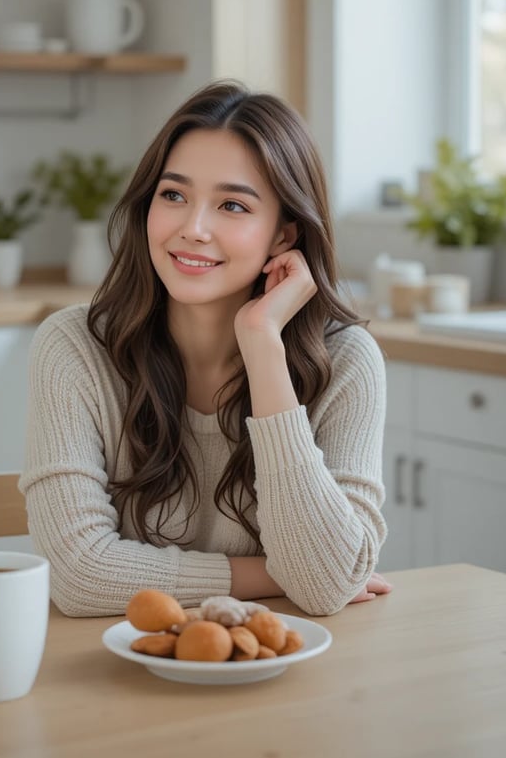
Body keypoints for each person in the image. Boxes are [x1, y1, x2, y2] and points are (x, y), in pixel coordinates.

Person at [20, 81, 391, 617]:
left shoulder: (347, 362)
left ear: (284, 236)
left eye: (233, 205)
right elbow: (79, 576)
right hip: (116, 676)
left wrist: (263, 344)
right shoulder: (74, 347)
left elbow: (325, 587)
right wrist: (275, 573)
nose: (192, 229)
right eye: (174, 195)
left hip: (279, 674)